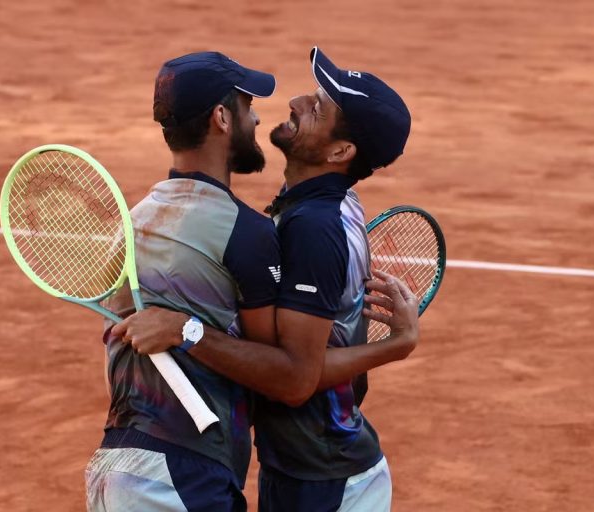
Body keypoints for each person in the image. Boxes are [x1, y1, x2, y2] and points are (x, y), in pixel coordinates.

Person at [112, 47, 416, 511]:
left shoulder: (312, 227)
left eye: (318, 108)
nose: (295, 102)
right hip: (303, 468)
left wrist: (186, 329)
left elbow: (295, 375)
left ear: (340, 151)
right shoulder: (321, 208)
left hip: (324, 476)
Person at [84, 51, 281, 512]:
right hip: (182, 478)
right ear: (221, 118)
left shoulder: (134, 223)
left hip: (119, 467)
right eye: (247, 105)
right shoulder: (246, 233)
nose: (255, 116)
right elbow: (278, 376)